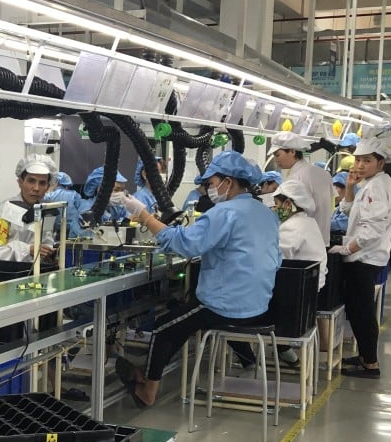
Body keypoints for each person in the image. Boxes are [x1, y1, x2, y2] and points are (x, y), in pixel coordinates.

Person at [117, 151, 280, 407]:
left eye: (212, 183)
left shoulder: (225, 212)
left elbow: (184, 244)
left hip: (225, 305)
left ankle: (147, 392)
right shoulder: (264, 212)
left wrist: (145, 216)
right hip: (259, 303)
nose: (210, 189)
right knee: (182, 315)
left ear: (229, 181)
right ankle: (146, 373)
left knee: (164, 327)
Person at [332, 137, 391, 379]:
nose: (359, 165)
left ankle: (370, 363)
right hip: (364, 256)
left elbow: (372, 229)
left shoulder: (378, 187)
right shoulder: (371, 183)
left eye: (366, 161)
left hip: (365, 258)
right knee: (359, 309)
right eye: (358, 160)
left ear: (380, 163)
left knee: (362, 312)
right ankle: (364, 355)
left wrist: (348, 249)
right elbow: (352, 214)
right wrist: (350, 188)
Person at [0, 155, 57, 262]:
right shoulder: (2, 212)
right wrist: (27, 250)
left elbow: (47, 240)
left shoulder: (46, 212)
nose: (36, 188)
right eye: (31, 181)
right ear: (20, 182)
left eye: (42, 183)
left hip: (36, 274)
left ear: (47, 187)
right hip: (8, 275)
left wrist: (50, 252)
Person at [268, 131, 334, 247]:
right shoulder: (323, 173)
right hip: (323, 240)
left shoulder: (296, 178)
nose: (275, 159)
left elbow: (295, 213)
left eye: (277, 155)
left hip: (304, 242)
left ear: (292, 151)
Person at [273, 180, 328, 291]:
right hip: (313, 283)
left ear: (288, 204)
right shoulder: (308, 221)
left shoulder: (292, 227)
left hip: (300, 287)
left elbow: (278, 257)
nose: (274, 209)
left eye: (276, 204)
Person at [44, 172, 91, 238]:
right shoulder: (74, 194)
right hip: (72, 230)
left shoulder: (49, 195)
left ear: (57, 182)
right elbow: (81, 209)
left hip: (54, 230)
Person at [330, 172, 350, 239]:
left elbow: (342, 225)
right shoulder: (338, 206)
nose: (333, 190)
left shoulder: (351, 207)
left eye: (337, 187)